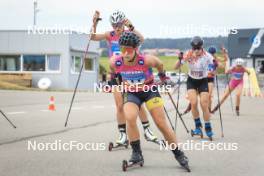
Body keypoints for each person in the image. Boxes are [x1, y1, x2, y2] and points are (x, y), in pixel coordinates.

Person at [110, 31, 190, 171]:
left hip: (149, 91)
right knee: (130, 117)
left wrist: (162, 76)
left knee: (160, 123)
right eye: (123, 48)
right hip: (131, 93)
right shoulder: (115, 61)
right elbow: (114, 71)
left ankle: (178, 153)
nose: (126, 52)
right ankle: (136, 153)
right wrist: (117, 80)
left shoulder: (147, 60)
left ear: (136, 48)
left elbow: (160, 64)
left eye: (129, 49)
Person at [91, 10, 157, 146]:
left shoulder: (130, 34)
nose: (117, 27)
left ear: (124, 23)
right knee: (120, 105)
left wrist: (132, 27)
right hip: (116, 73)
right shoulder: (109, 35)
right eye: (114, 24)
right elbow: (92, 37)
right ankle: (122, 135)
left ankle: (147, 130)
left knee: (137, 103)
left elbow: (142, 39)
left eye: (119, 24)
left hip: (130, 73)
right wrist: (94, 23)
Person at [174, 36, 214, 139]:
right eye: (194, 48)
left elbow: (213, 67)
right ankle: (198, 127)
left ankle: (208, 127)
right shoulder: (189, 54)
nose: (196, 50)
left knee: (204, 104)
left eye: (198, 48)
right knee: (194, 103)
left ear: (202, 47)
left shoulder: (207, 56)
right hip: (191, 81)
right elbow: (175, 67)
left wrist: (213, 66)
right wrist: (180, 60)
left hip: (203, 81)